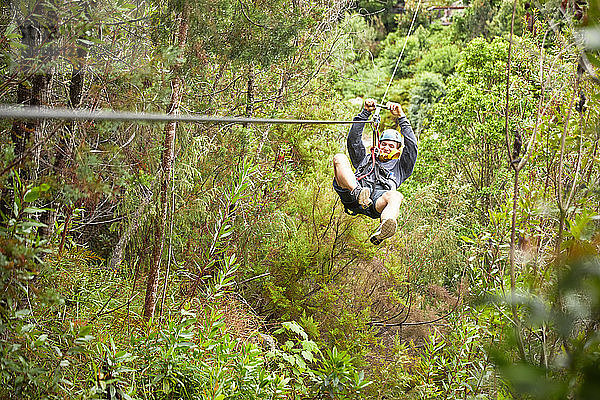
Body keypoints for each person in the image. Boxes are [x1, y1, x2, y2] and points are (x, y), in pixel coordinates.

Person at [333, 98, 418, 245]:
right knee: (339, 158)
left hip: (376, 201)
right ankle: (358, 192)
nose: (386, 147)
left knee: (396, 196)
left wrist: (401, 117)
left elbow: (412, 146)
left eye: (391, 146)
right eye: (383, 144)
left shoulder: (401, 167)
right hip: (353, 193)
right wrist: (365, 113)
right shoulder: (365, 158)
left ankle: (384, 228)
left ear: (398, 150)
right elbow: (353, 140)